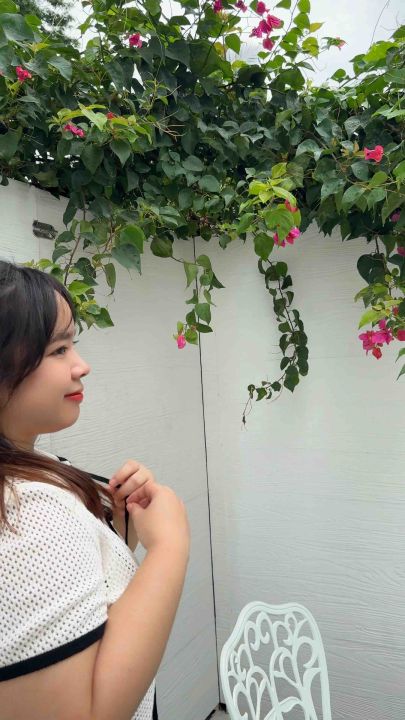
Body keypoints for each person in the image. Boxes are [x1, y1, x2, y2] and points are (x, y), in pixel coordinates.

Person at [0, 260, 190, 720]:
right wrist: (170, 545)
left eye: (74, 345)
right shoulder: (23, 515)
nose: (81, 366)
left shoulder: (34, 467)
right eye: (58, 349)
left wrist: (117, 531)